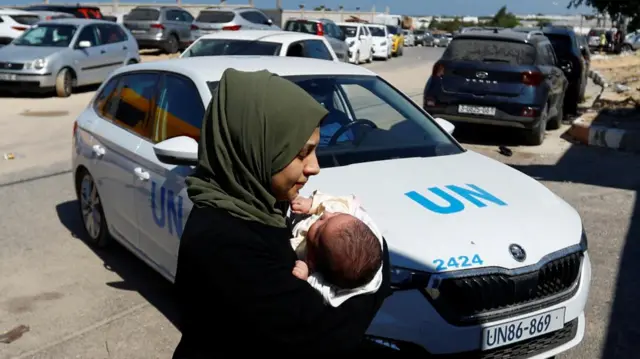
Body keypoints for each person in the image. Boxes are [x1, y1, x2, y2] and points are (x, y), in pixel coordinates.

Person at [171, 68, 392, 357]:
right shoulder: (225, 243)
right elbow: (322, 334)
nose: (314, 167)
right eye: (302, 153)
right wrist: (377, 270)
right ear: (255, 146)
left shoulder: (262, 203)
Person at [288, 191, 384, 308]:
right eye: (336, 215)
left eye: (320, 227)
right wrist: (313, 205)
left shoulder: (314, 269)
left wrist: (305, 276)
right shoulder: (346, 216)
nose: (326, 214)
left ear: (313, 258)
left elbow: (315, 290)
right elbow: (338, 203)